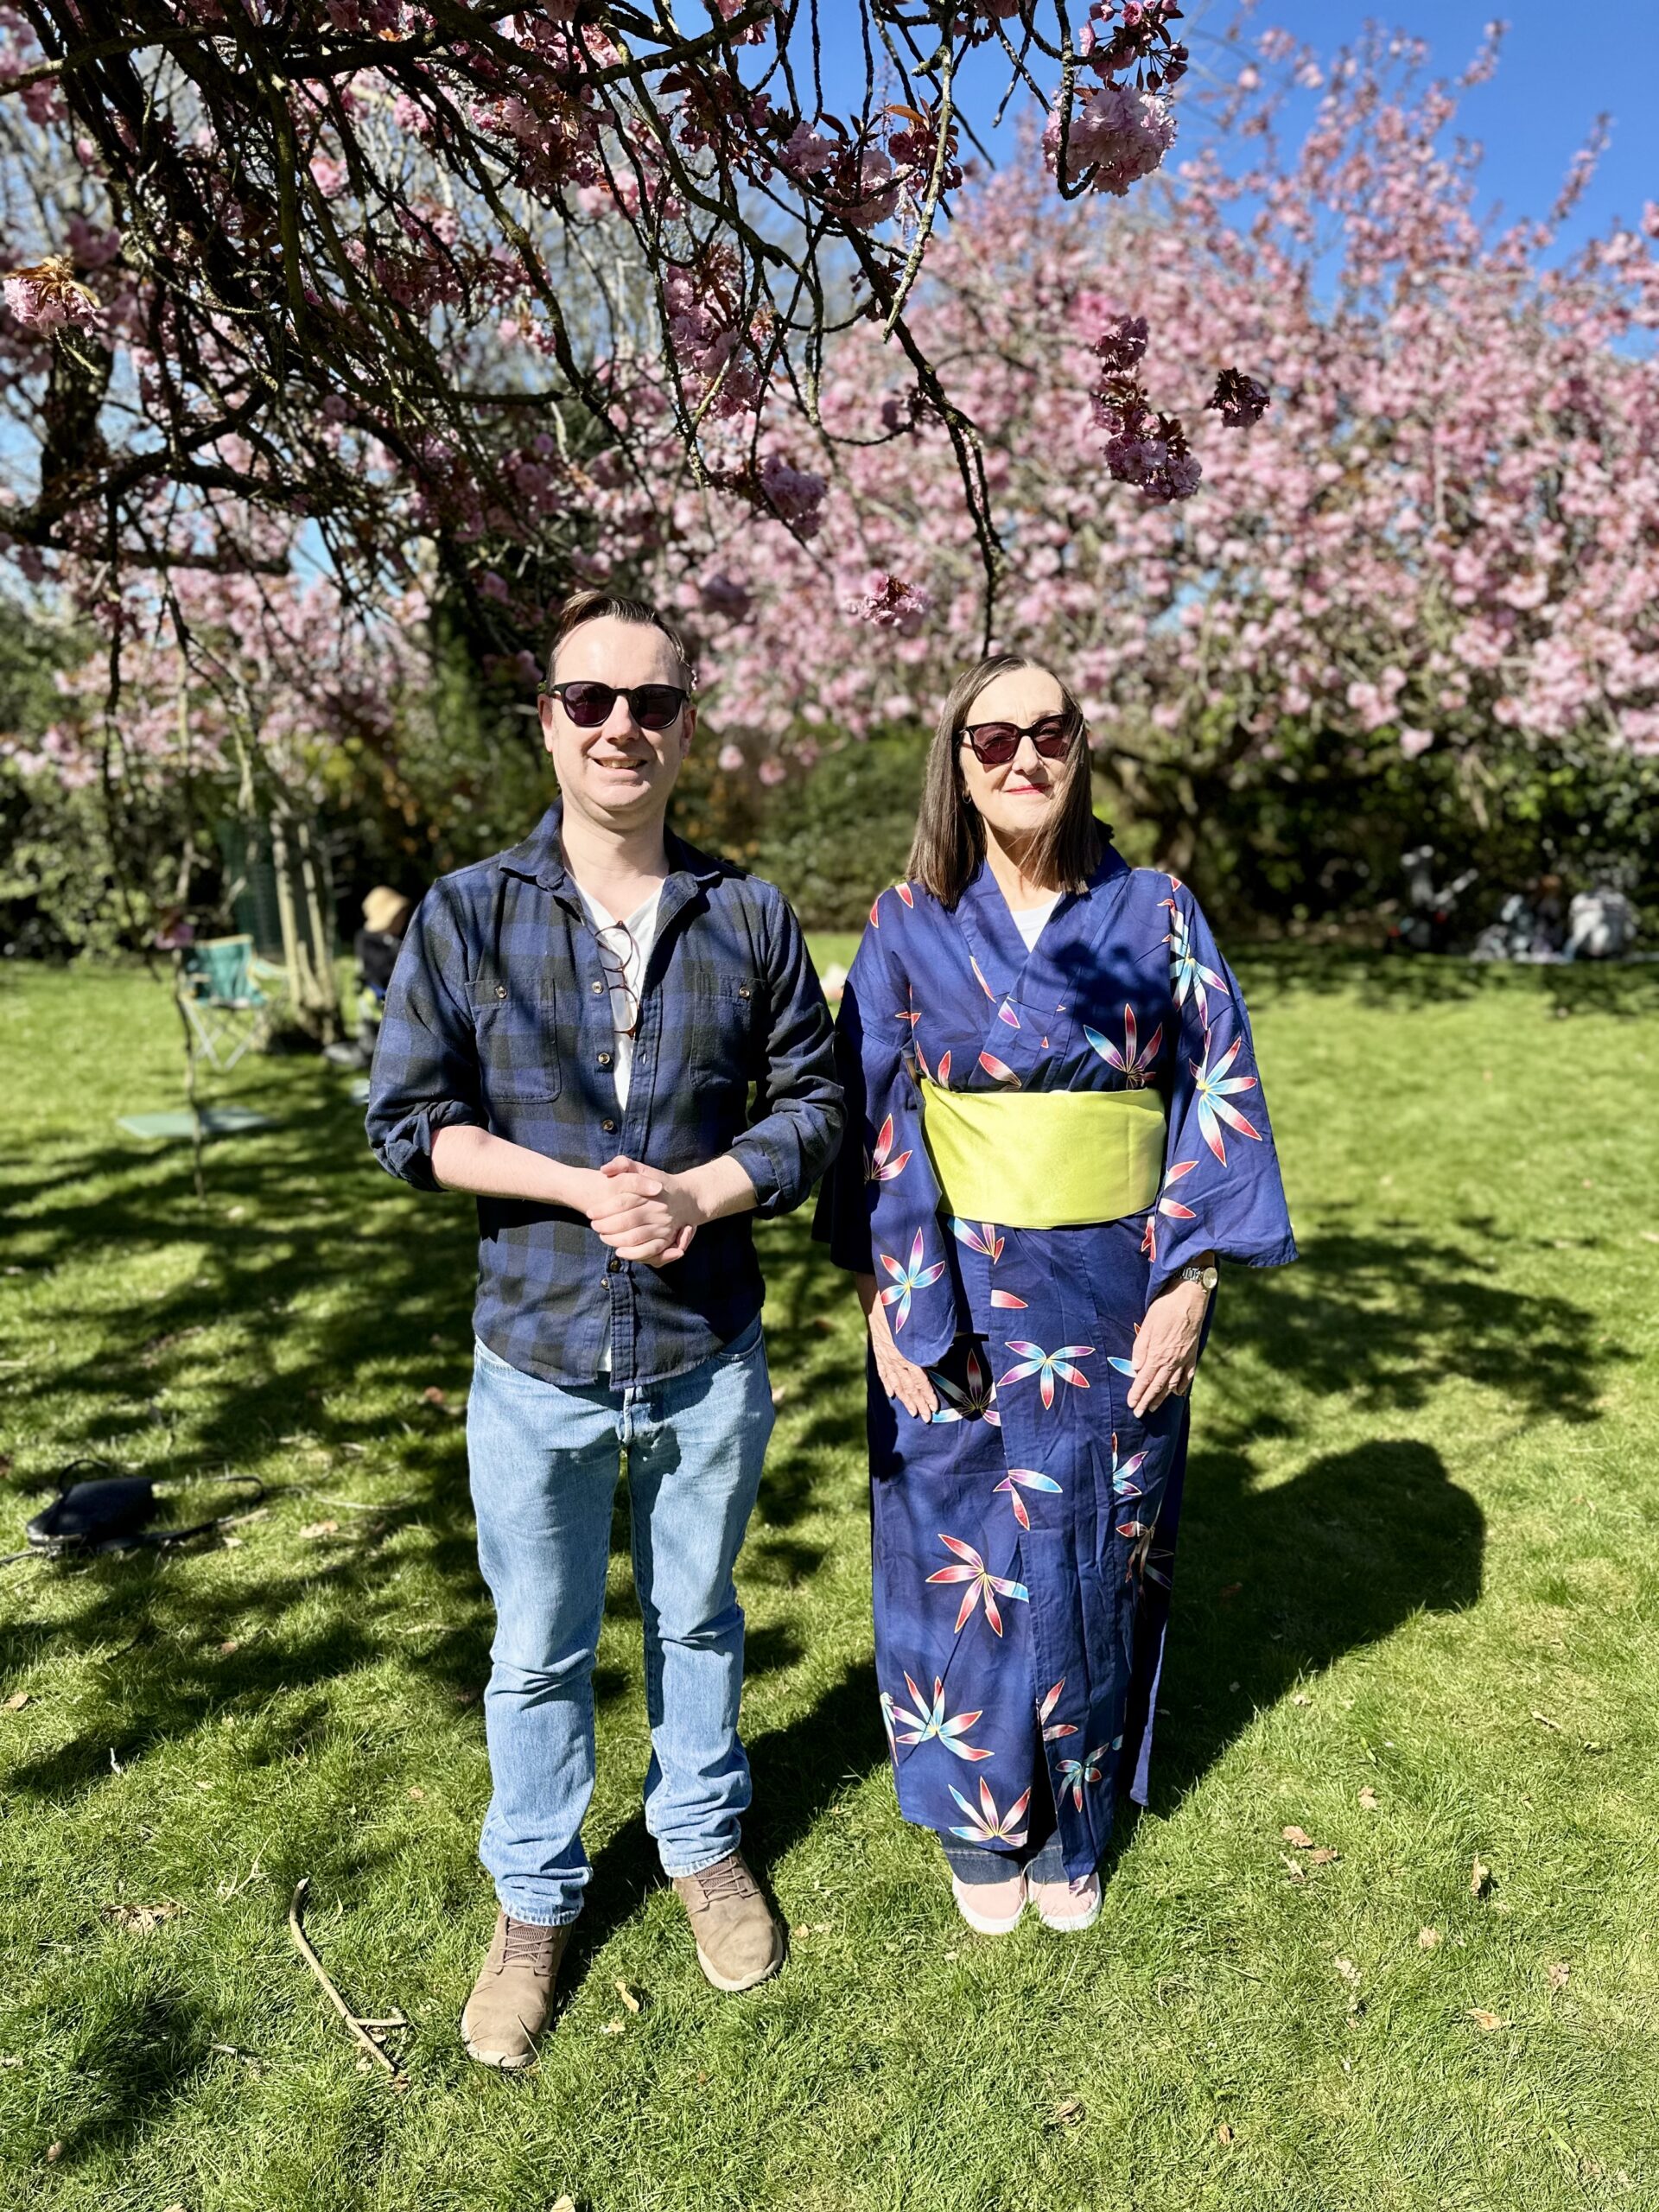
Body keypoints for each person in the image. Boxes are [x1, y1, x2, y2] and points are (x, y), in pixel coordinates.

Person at [366, 589, 842, 2067]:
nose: (621, 726)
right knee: (536, 1648)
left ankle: (701, 1840)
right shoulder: (466, 913)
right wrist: (584, 1190)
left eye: (652, 702)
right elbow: (410, 1122)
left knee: (697, 1616)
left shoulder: (749, 915)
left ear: (687, 726)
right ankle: (535, 1899)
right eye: (591, 699)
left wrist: (700, 1190)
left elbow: (818, 1106)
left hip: (707, 1354)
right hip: (537, 1355)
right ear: (548, 721)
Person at [816, 653, 1296, 1936]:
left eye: (1050, 731)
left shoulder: (1159, 910)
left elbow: (1218, 1087)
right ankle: (981, 1821)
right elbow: (869, 1118)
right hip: (950, 1284)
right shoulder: (906, 920)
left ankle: (1075, 1824)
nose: (1023, 756)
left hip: (1112, 1287)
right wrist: (882, 1298)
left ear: (1081, 747)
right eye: (993, 738)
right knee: (955, 1552)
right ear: (958, 764)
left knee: (1096, 1549)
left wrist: (1193, 1278)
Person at [353, 885, 413, 1058]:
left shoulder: (395, 940)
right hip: (381, 999)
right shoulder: (367, 940)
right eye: (398, 914)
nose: (402, 919)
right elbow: (380, 969)